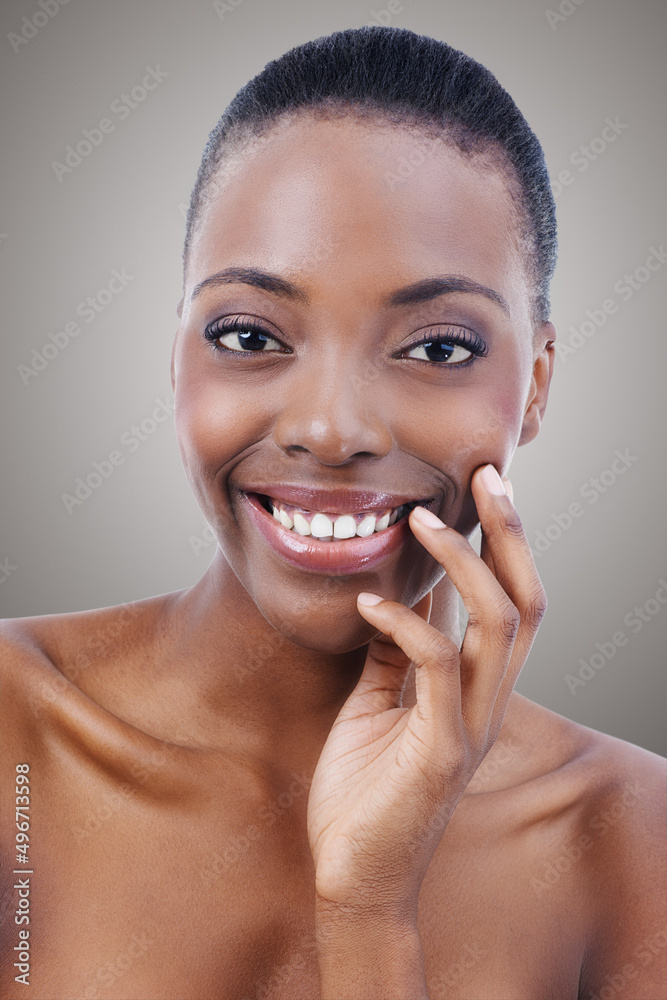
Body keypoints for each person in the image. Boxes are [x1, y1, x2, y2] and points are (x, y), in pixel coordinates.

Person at [1, 25, 665, 1000]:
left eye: (436, 348)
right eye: (249, 333)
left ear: (536, 384)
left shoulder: (632, 831)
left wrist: (366, 912)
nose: (330, 427)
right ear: (174, 355)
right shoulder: (16, 737)